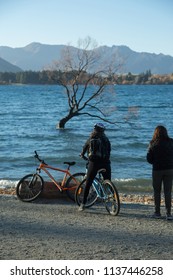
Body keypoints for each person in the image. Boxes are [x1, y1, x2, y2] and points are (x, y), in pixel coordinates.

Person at [79, 123, 111, 211]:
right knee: (108, 182)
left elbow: (84, 149)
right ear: (103, 131)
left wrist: (82, 154)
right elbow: (109, 151)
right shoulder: (106, 139)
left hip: (94, 163)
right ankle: (113, 200)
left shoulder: (91, 139)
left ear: (94, 130)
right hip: (106, 163)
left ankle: (83, 204)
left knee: (88, 183)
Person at [147, 125, 173, 220]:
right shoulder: (171, 142)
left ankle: (157, 213)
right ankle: (169, 214)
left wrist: (155, 162)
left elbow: (149, 159)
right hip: (170, 169)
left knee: (157, 191)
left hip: (157, 170)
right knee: (168, 192)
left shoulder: (153, 143)